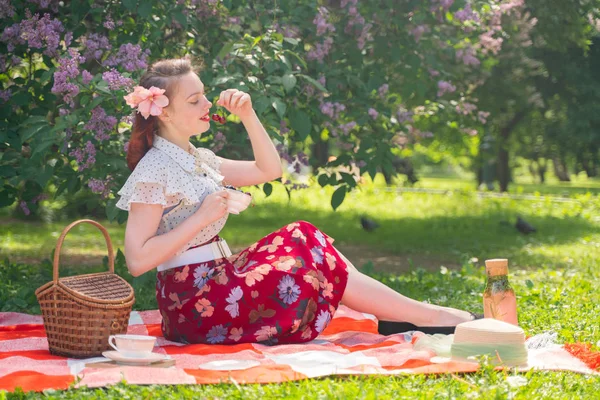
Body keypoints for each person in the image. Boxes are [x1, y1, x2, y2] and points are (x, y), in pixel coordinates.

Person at [116, 57, 477, 345]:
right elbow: (136, 260)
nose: (208, 104)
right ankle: (422, 315)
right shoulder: (154, 170)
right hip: (195, 304)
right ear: (163, 112)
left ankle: (410, 313)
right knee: (305, 246)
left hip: (216, 279)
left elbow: (268, 169)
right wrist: (201, 218)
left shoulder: (197, 157)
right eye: (195, 100)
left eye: (205, 95)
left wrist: (248, 115)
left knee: (302, 234)